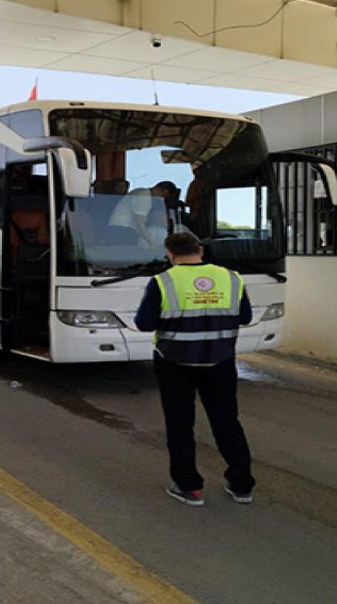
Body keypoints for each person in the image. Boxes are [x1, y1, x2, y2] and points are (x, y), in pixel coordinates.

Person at [134, 231, 254, 507]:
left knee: (179, 424)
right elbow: (245, 317)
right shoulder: (232, 278)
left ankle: (189, 487)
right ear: (200, 250)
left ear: (170, 254)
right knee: (227, 423)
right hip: (220, 362)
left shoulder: (162, 281)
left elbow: (144, 324)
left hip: (175, 363)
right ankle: (242, 485)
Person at [108, 181, 177, 243]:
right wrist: (151, 242)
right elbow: (140, 223)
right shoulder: (144, 197)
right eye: (163, 196)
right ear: (165, 191)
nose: (161, 199)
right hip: (122, 231)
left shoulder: (140, 191)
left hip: (117, 229)